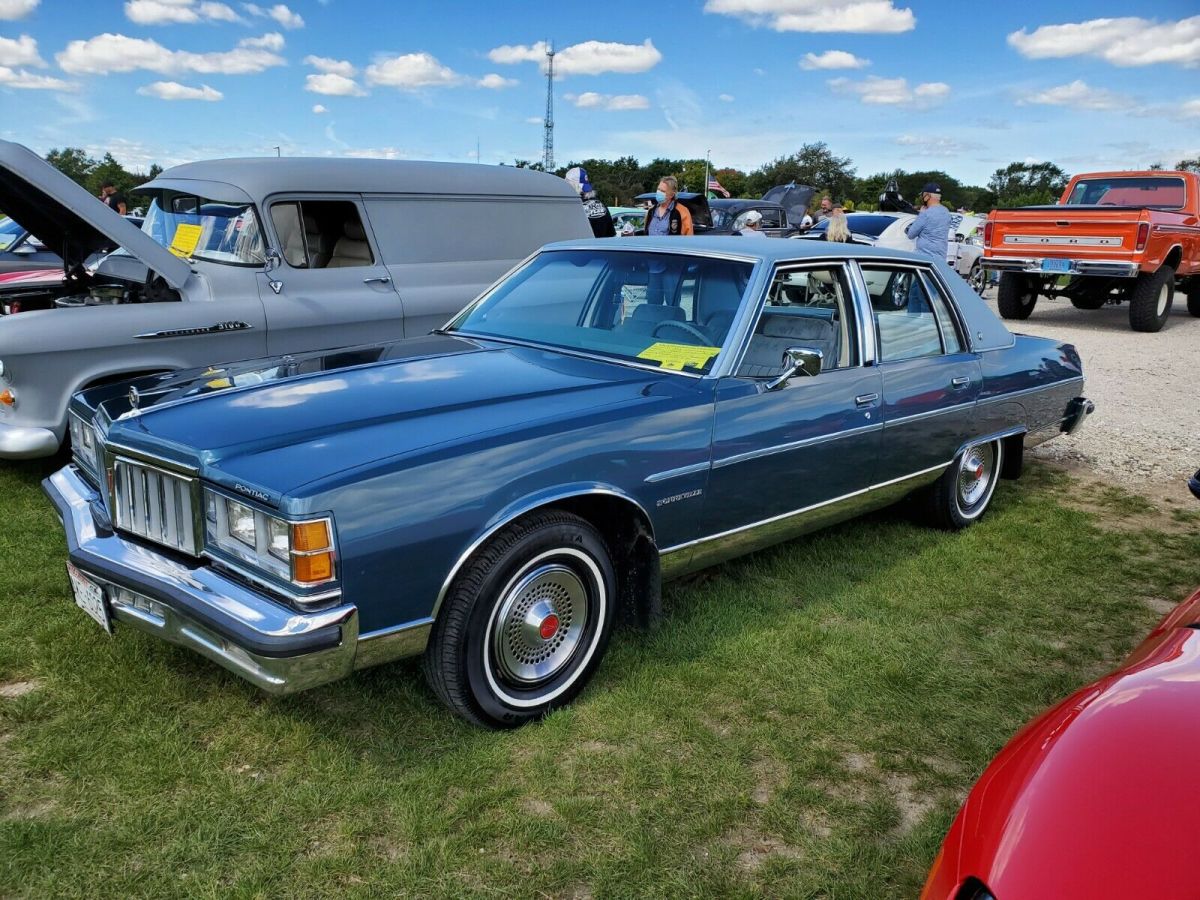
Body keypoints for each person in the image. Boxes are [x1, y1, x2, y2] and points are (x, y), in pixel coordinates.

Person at [904, 181, 951, 261]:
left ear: (927, 196)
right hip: (940, 259)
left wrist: (921, 214)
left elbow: (911, 235)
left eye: (922, 195)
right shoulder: (946, 212)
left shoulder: (925, 214)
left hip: (923, 260)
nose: (922, 197)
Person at [564, 166, 615, 238]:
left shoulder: (573, 206)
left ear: (571, 185)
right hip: (601, 247)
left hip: (580, 247)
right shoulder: (601, 204)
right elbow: (611, 234)